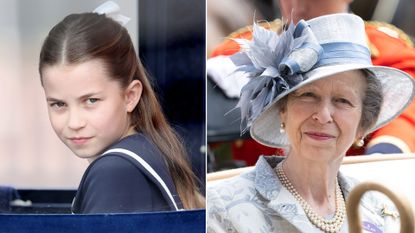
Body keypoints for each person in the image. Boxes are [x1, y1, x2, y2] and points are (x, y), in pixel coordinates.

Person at [207, 13, 415, 232]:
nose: (323, 115)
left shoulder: (382, 209)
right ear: (283, 111)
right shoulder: (222, 209)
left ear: (363, 124)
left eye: (342, 101)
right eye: (308, 96)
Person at [38, 1, 204, 213]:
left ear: (130, 96)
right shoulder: (150, 148)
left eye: (91, 101)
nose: (74, 123)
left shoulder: (113, 172)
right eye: (59, 104)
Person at [207, 0, 415, 163]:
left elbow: (402, 121)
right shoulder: (237, 52)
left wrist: (380, 159)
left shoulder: (387, 51)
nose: (299, 6)